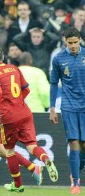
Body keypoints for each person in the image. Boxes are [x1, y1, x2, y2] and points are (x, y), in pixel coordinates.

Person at [0, 46, 58, 193]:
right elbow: (26, 89)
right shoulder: (14, 68)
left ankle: (18, 185)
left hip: (9, 117)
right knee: (32, 146)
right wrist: (17, 102)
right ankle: (45, 159)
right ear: (3, 58)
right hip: (25, 112)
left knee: (10, 151)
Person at [50, 27, 85, 195]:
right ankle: (75, 183)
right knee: (74, 142)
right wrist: (52, 108)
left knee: (83, 145)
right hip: (69, 105)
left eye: (75, 42)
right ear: (65, 42)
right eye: (69, 43)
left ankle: (76, 170)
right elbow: (53, 83)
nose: (72, 46)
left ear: (80, 40)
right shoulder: (58, 59)